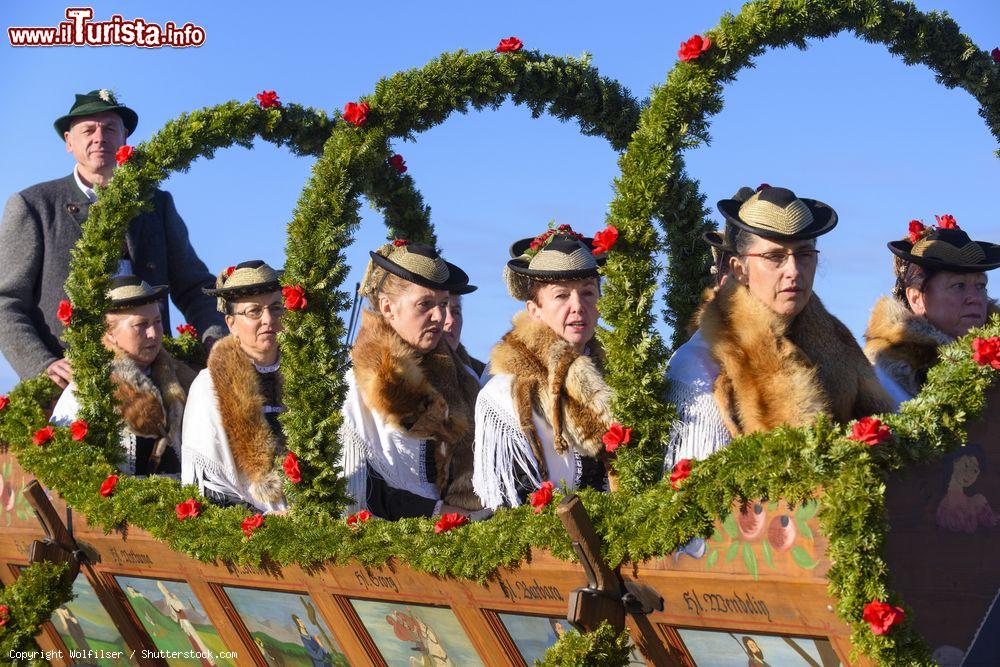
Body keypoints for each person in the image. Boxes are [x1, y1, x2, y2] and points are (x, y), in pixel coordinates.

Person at [0, 89, 224, 388]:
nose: (99, 137)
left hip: (154, 380)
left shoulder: (157, 204)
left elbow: (195, 286)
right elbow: (6, 301)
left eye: (109, 128)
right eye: (88, 130)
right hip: (71, 383)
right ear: (69, 141)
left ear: (124, 138)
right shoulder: (33, 205)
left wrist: (216, 340)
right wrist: (42, 365)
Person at [665, 186, 892, 468]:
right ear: (739, 269)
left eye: (805, 254)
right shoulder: (698, 365)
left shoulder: (839, 344)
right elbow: (693, 495)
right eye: (775, 257)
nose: (793, 271)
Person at [339, 241, 485, 519]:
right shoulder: (356, 386)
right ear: (388, 308)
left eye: (443, 304)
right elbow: (357, 489)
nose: (440, 317)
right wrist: (440, 512)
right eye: (425, 305)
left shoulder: (464, 375)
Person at [473, 226, 613, 510]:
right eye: (561, 296)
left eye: (587, 293)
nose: (577, 306)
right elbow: (512, 505)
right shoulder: (503, 394)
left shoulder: (621, 375)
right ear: (534, 309)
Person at [51, 276, 196, 476]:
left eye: (157, 321)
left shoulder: (183, 380)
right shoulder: (88, 389)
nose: (154, 333)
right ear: (110, 333)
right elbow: (65, 468)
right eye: (141, 325)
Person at [181, 260, 287, 513]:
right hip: (247, 532)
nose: (268, 319)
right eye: (254, 312)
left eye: (276, 308)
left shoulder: (308, 374)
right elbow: (209, 487)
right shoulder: (209, 387)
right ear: (231, 324)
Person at [864, 221, 998, 408]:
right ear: (917, 298)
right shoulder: (882, 378)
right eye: (958, 285)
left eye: (980, 286)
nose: (975, 298)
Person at [444, 292, 487, 384]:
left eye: (456, 312)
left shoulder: (483, 376)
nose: (450, 320)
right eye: (442, 308)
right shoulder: (410, 373)